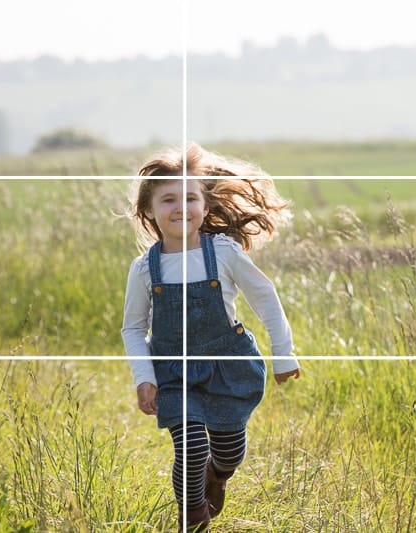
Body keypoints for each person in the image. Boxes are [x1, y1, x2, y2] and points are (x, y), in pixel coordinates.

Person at [122, 144, 301, 532]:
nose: (180, 207)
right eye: (168, 199)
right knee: (189, 447)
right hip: (174, 371)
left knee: (228, 453)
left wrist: (283, 354)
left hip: (227, 365)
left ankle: (216, 476)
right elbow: (133, 328)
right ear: (149, 210)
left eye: (190, 197)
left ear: (205, 205)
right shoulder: (143, 270)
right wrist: (144, 378)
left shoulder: (223, 252)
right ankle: (193, 518)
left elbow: (265, 299)